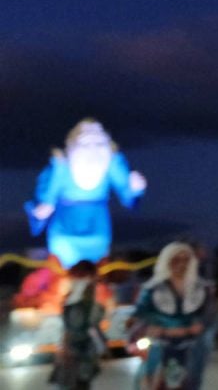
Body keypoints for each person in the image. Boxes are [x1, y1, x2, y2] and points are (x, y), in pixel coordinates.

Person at [25, 118, 147, 267]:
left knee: (95, 273)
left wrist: (135, 189)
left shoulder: (112, 163)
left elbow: (127, 194)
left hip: (97, 229)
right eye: (86, 143)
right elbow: (46, 197)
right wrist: (42, 210)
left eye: (99, 143)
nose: (92, 149)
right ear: (71, 146)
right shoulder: (60, 167)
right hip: (64, 231)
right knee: (63, 276)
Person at [134, 242, 213, 390]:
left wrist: (198, 325)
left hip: (190, 342)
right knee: (149, 377)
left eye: (185, 260)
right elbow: (142, 312)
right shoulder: (152, 288)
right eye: (176, 259)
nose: (181, 264)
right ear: (167, 261)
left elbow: (208, 314)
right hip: (160, 340)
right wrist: (158, 327)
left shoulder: (202, 288)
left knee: (192, 378)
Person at [52, 260, 104, 390]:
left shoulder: (83, 300)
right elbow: (76, 327)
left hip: (78, 350)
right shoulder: (79, 301)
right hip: (77, 351)